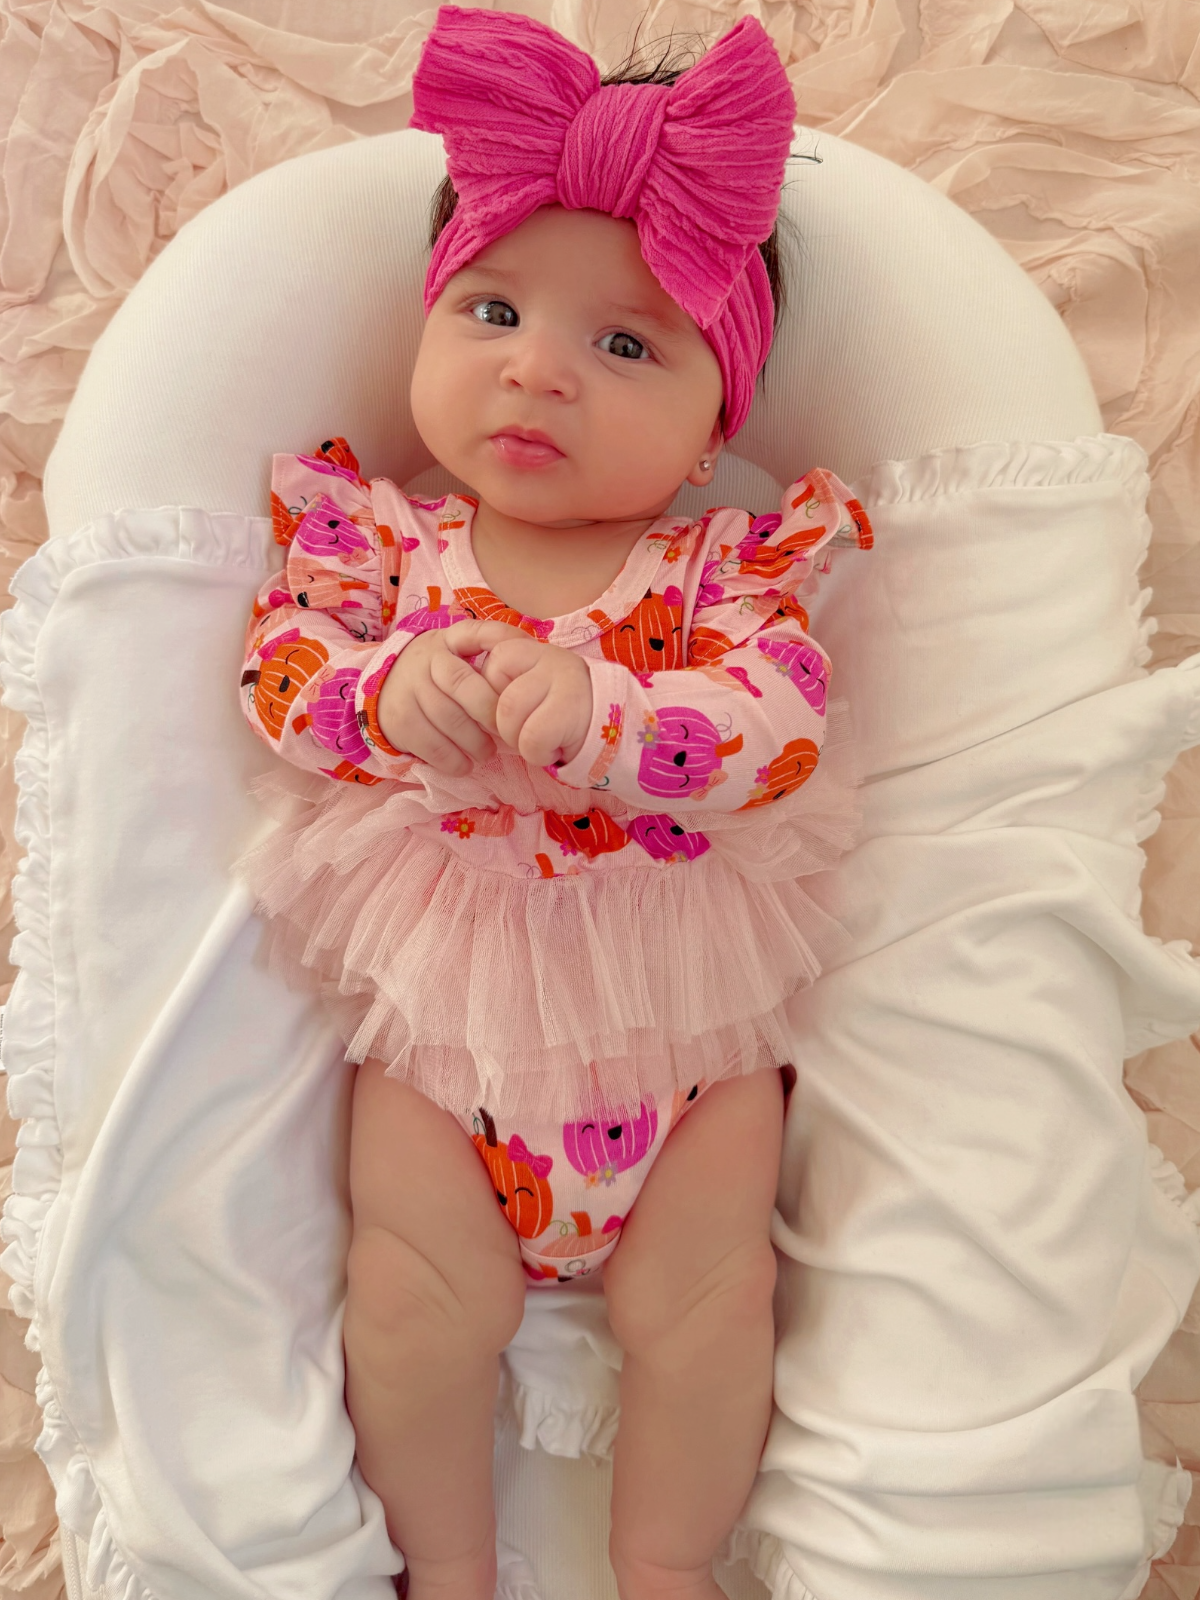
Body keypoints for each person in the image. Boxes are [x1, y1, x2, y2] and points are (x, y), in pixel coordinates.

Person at [235, 8, 873, 1598]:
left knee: (711, 1305)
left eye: (625, 344)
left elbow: (780, 730)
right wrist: (387, 698)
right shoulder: (383, 548)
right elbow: (284, 682)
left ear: (715, 422)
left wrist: (619, 713)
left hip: (687, 1019)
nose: (534, 368)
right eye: (494, 308)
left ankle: (663, 1568)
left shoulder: (719, 568)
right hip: (447, 1022)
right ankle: (443, 1572)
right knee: (408, 1293)